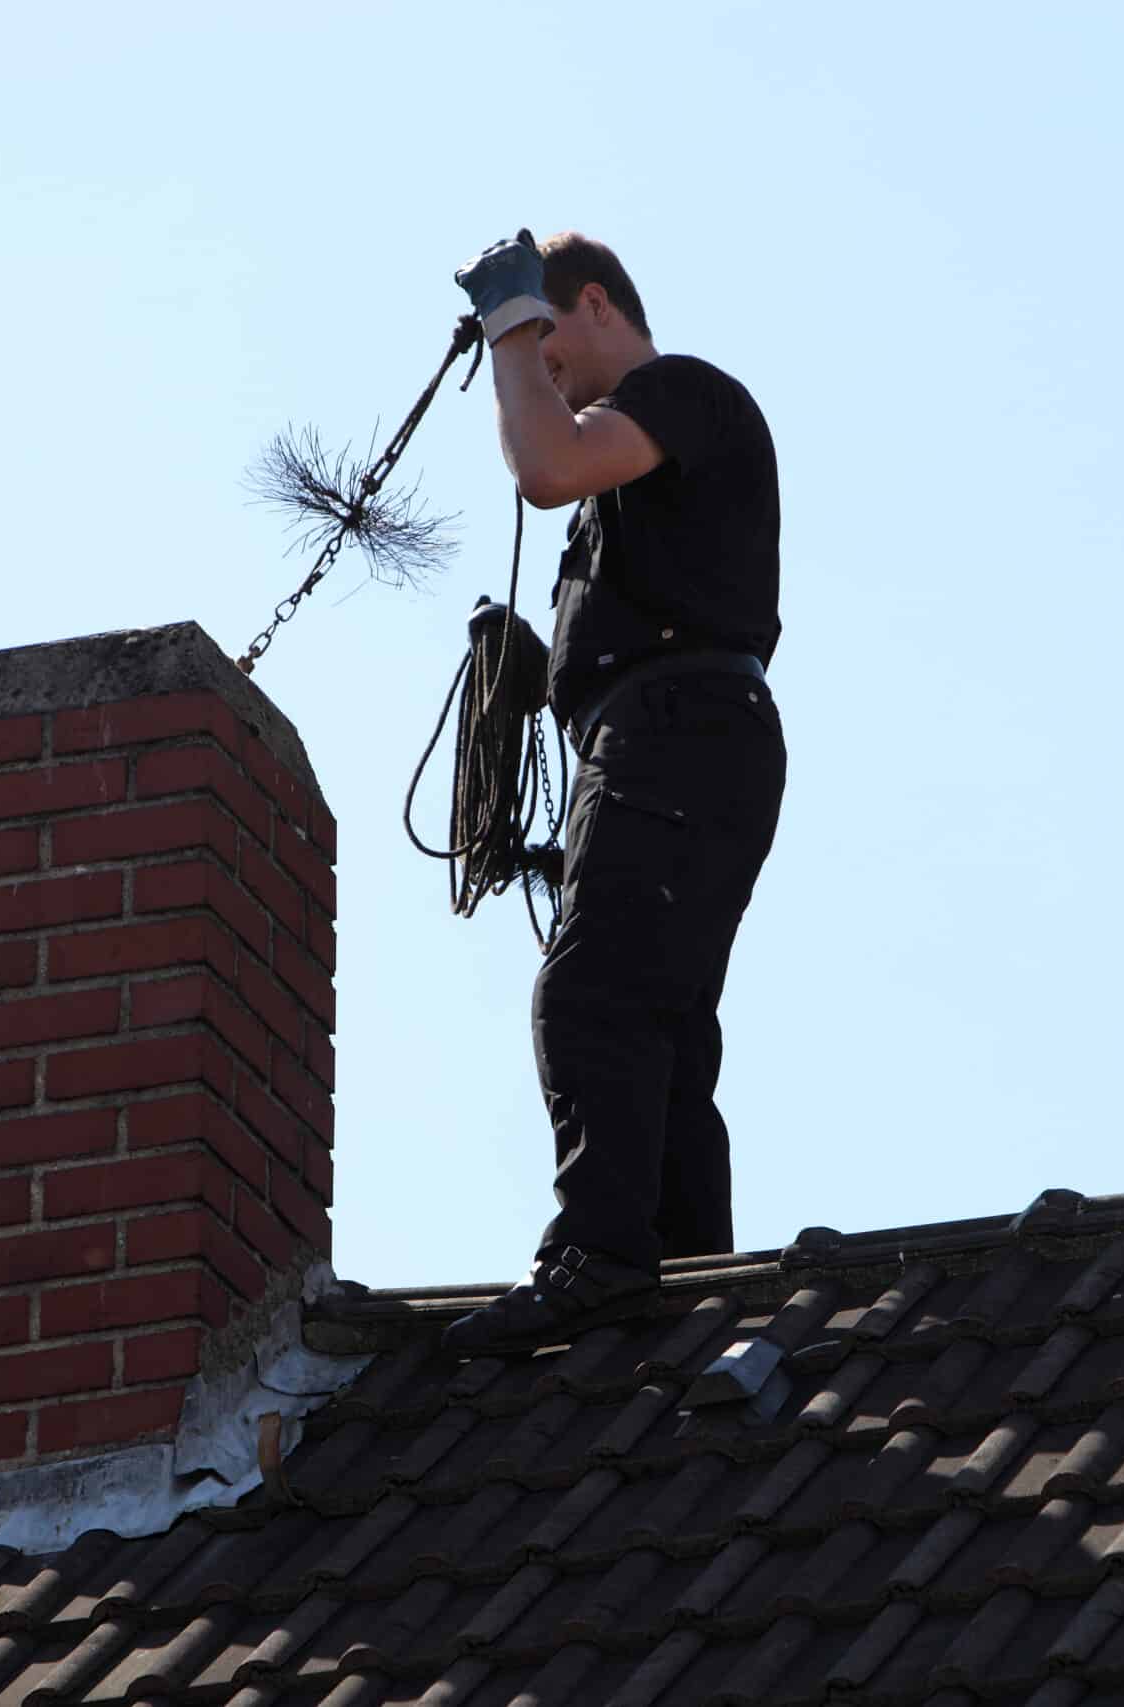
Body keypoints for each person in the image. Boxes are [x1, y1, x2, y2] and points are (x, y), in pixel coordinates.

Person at [440, 230, 786, 1357]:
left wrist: (504, 322)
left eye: (549, 343)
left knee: (588, 993)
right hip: (666, 740)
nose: (536, 372)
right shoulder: (631, 483)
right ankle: (686, 1279)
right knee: (663, 1025)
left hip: (675, 735)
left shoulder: (680, 392)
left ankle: (601, 1257)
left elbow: (543, 470)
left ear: (591, 304)